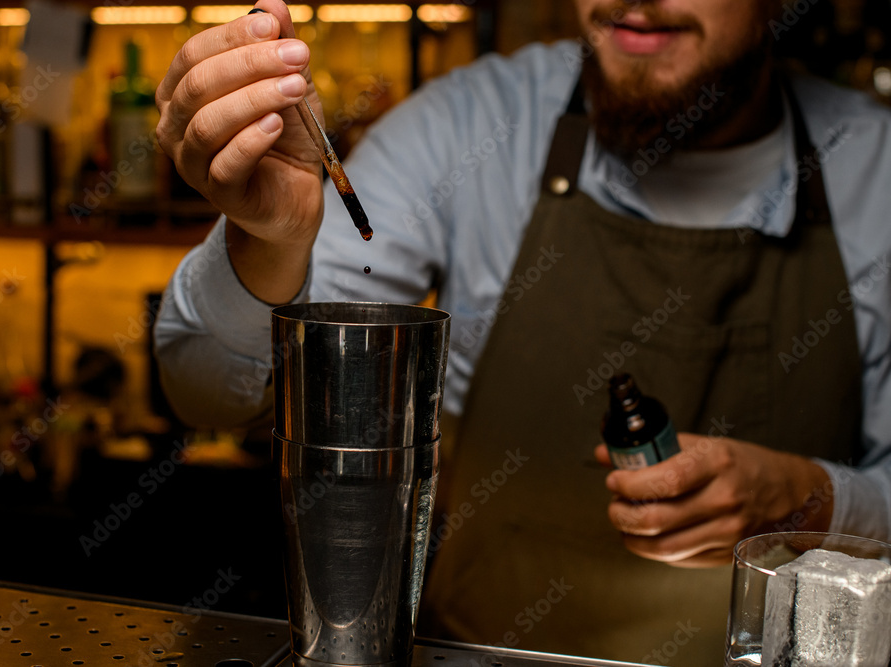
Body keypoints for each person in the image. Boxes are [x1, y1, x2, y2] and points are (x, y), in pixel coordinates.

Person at [153, 0, 891, 664]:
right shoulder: (472, 125)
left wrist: (812, 499)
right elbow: (208, 391)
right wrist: (268, 239)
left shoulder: (874, 167)